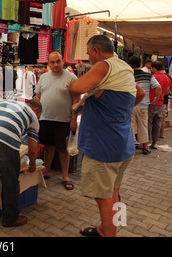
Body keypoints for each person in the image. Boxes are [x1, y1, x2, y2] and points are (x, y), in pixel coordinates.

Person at [69, 35, 145, 237]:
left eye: (88, 53)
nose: (88, 58)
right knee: (112, 191)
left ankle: (108, 233)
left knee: (103, 198)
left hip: (103, 147)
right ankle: (108, 228)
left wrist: (75, 89)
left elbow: (75, 87)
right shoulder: (125, 68)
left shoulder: (104, 66)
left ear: (95, 51)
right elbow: (140, 95)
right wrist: (120, 112)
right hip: (123, 145)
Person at [0, 99, 42, 227]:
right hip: (6, 142)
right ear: (36, 110)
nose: (38, 117)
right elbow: (32, 150)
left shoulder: (5, 102)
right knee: (10, 181)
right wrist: (32, 164)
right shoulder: (34, 118)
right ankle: (10, 218)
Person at [34, 51, 79, 190]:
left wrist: (73, 119)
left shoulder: (71, 78)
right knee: (48, 146)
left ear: (62, 61)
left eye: (58, 61)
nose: (55, 65)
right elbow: (37, 97)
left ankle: (65, 176)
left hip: (63, 120)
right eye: (52, 62)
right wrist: (35, 115)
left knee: (63, 149)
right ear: (48, 63)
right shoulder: (43, 77)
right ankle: (46, 170)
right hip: (45, 118)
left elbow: (76, 100)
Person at [128, 56, 161, 155]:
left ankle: (131, 148)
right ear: (140, 64)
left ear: (129, 65)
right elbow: (158, 87)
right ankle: (145, 147)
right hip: (143, 105)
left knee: (131, 126)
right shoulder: (148, 75)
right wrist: (157, 98)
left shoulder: (129, 75)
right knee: (144, 126)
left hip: (131, 104)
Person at [148, 61, 171, 149]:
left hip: (152, 101)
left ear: (154, 68)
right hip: (161, 103)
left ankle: (147, 141)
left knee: (149, 122)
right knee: (157, 123)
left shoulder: (153, 77)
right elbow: (167, 92)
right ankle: (154, 142)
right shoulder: (167, 78)